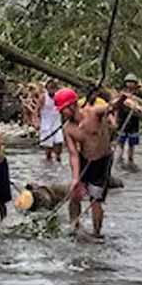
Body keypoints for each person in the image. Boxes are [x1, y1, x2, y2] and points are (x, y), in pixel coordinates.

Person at [56, 87, 123, 239]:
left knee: (95, 199)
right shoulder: (68, 128)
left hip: (102, 161)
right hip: (84, 159)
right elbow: (73, 154)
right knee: (75, 195)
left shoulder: (94, 112)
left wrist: (121, 99)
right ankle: (74, 227)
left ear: (73, 105)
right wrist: (75, 178)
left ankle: (96, 233)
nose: (62, 113)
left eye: (63, 109)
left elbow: (111, 107)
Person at [115, 74, 141, 168]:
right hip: (123, 121)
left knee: (132, 144)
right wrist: (116, 120)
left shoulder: (138, 95)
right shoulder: (121, 94)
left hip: (134, 123)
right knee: (121, 143)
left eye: (132, 82)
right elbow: (117, 108)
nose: (130, 84)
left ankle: (130, 160)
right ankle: (119, 158)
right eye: (128, 82)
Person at [35, 81, 64, 163]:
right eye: (50, 88)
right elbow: (36, 111)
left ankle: (58, 162)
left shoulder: (59, 97)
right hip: (46, 125)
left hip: (57, 124)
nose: (52, 91)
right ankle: (48, 165)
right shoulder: (43, 97)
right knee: (48, 149)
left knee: (59, 143)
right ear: (47, 89)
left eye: (53, 88)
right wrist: (36, 122)